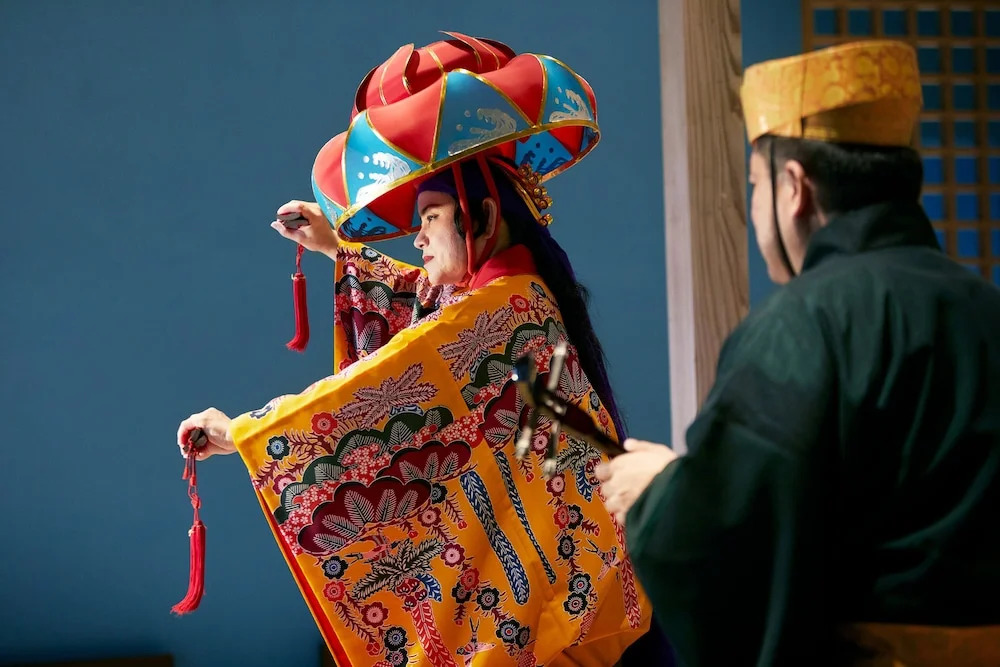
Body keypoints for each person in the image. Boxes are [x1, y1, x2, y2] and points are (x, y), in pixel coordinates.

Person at [176, 33, 660, 666]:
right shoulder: (507, 297)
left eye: (430, 217)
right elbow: (426, 311)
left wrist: (246, 432)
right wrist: (338, 247)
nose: (418, 238)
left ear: (481, 218)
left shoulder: (501, 312)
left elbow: (384, 386)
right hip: (578, 591)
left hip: (568, 616)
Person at [596, 39, 1000, 666]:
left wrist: (660, 499)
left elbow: (733, 554)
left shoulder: (804, 325)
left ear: (794, 189)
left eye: (754, 185)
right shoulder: (984, 308)